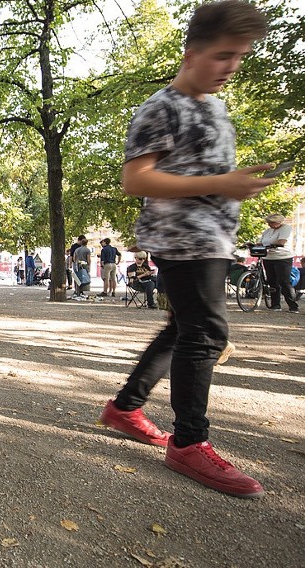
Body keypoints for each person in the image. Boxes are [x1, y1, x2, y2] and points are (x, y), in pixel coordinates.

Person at [98, 0, 276, 499]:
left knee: (183, 328)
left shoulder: (214, 107)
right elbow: (136, 178)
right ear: (191, 51)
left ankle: (126, 406)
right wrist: (225, 182)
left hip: (214, 238)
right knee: (206, 334)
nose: (232, 66)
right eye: (223, 55)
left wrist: (233, 190)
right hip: (182, 238)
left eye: (239, 57)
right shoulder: (162, 107)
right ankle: (189, 443)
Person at [260, 213, 298, 313]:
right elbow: (261, 242)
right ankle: (275, 304)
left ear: (278, 222)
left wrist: (270, 244)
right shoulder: (268, 231)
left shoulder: (286, 228)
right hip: (268, 257)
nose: (269, 224)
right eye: (268, 222)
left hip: (283, 257)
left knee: (284, 281)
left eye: (271, 223)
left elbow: (282, 242)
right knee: (272, 281)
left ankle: (293, 305)